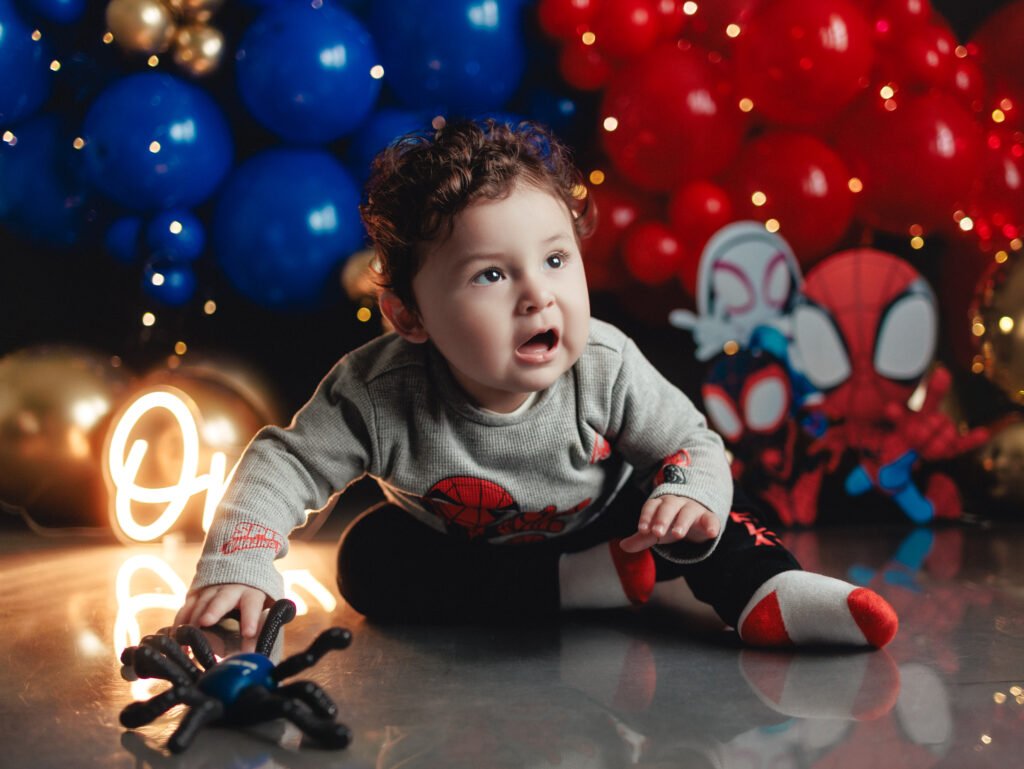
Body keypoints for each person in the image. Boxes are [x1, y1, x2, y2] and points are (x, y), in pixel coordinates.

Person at [175, 119, 897, 650]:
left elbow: (690, 440)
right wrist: (241, 559)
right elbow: (289, 460)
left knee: (713, 506)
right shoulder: (377, 391)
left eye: (555, 261)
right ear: (410, 315)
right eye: (491, 274)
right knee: (366, 561)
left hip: (610, 516)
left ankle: (766, 592)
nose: (537, 295)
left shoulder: (603, 364)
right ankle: (579, 585)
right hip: (464, 546)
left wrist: (688, 490)